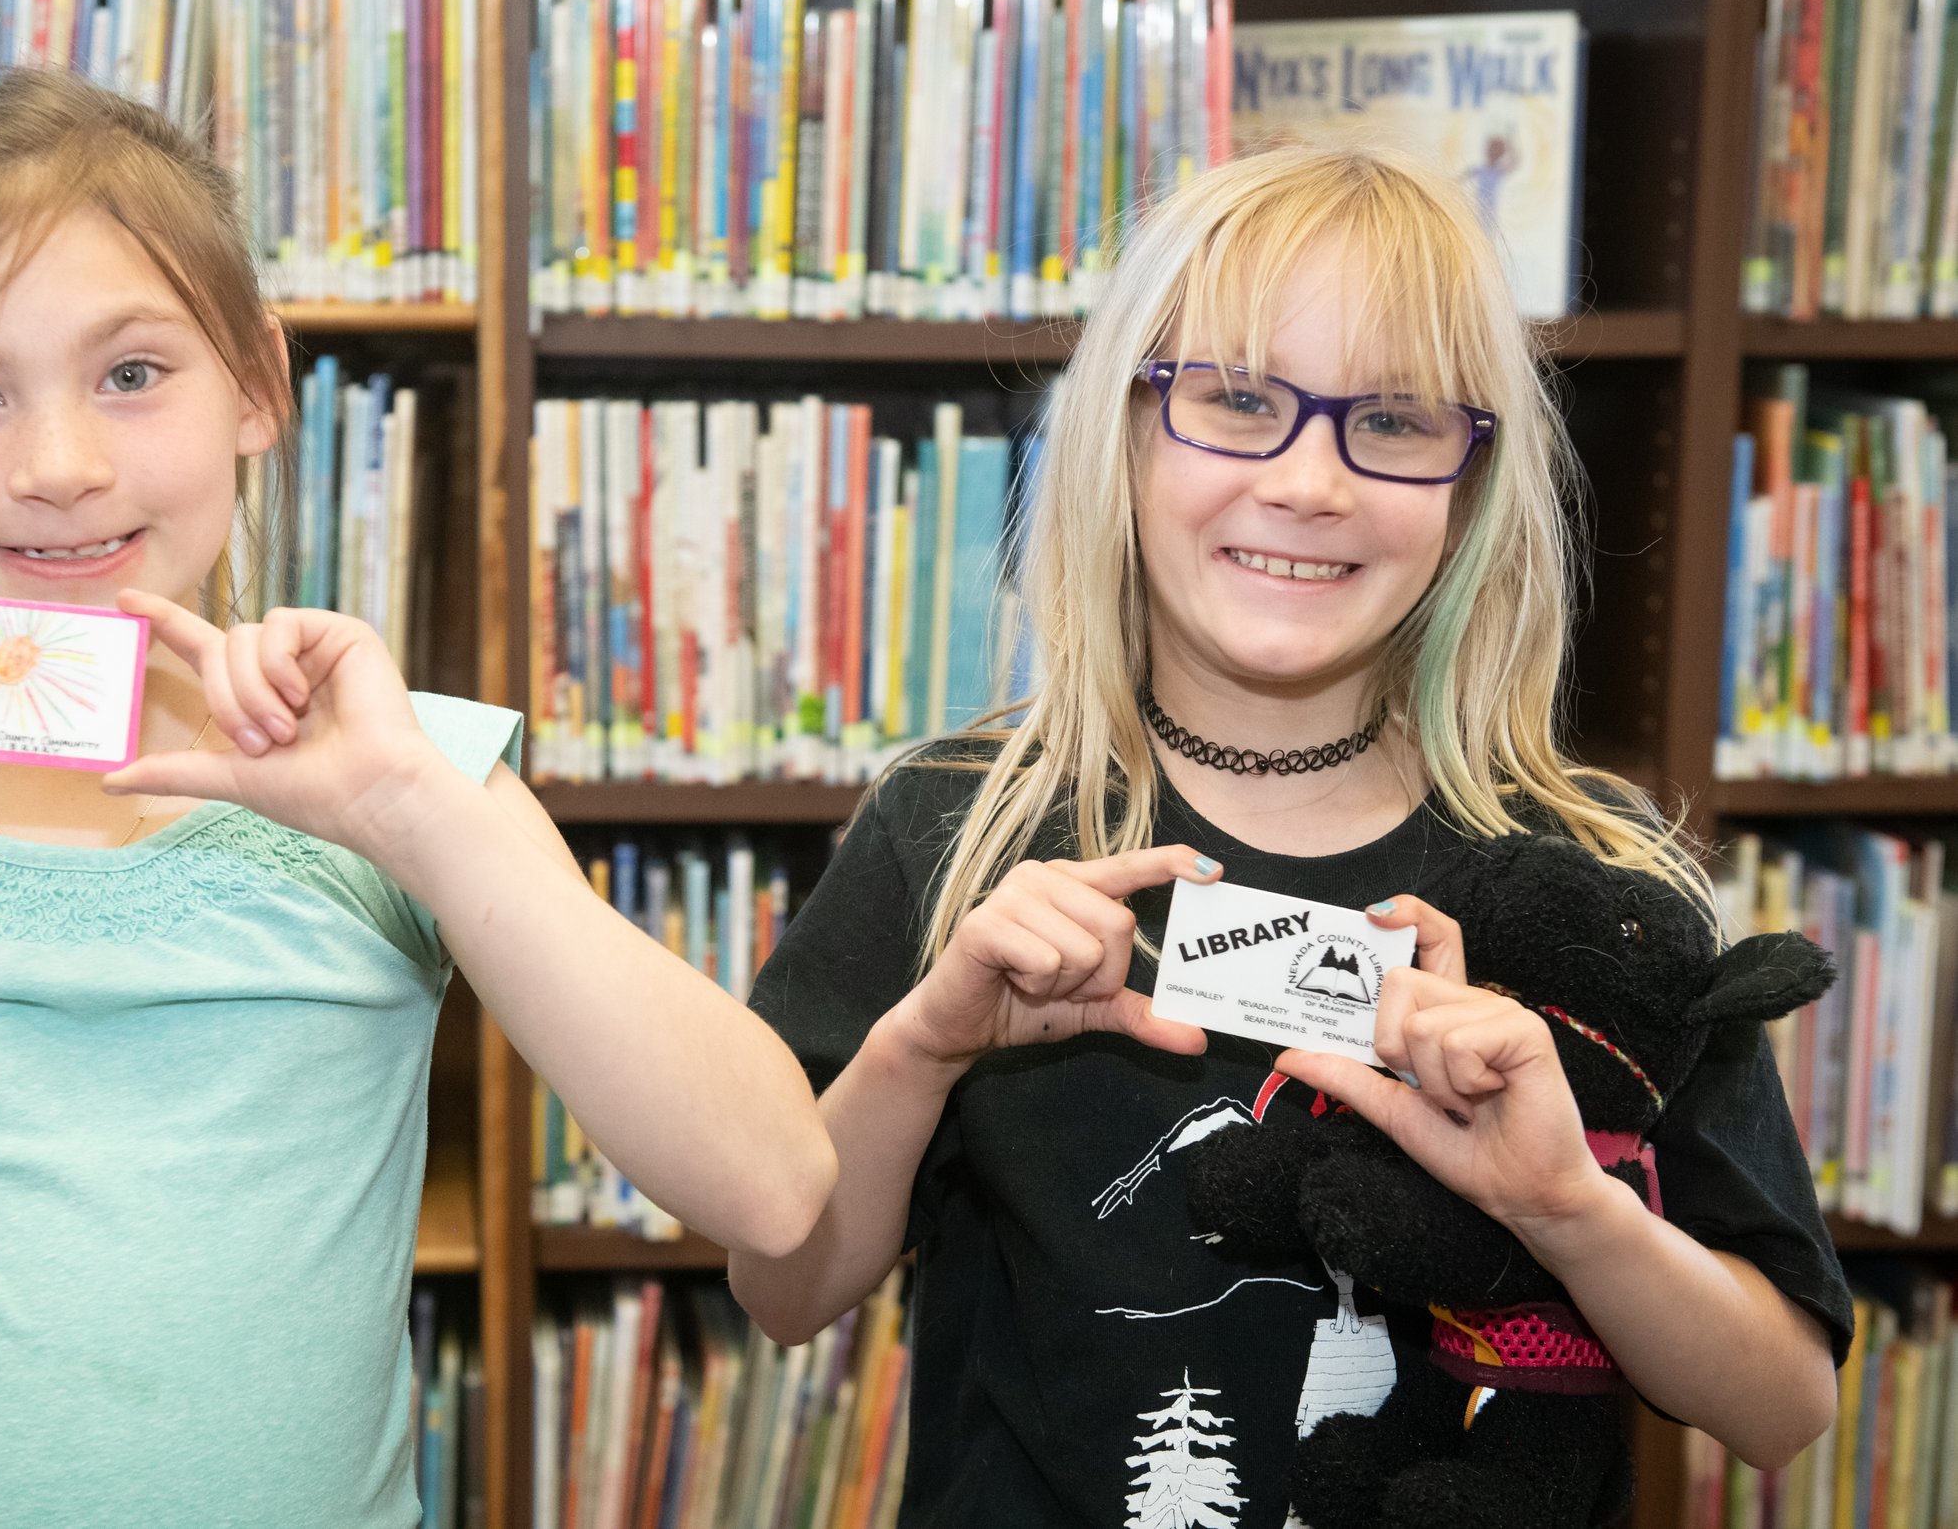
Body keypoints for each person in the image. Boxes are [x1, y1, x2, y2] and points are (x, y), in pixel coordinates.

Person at [0, 67, 835, 1527]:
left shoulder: (403, 774)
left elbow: (772, 1188)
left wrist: (414, 820)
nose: (62, 467)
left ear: (256, 387)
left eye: (131, 373)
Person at [729, 142, 1849, 1527]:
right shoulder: (960, 824)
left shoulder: (1594, 879)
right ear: (1124, 433)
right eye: (1240, 400)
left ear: (1473, 481)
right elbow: (784, 1292)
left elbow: (1784, 1405)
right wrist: (923, 1045)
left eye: (1392, 423)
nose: (1311, 483)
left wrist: (1572, 1208)